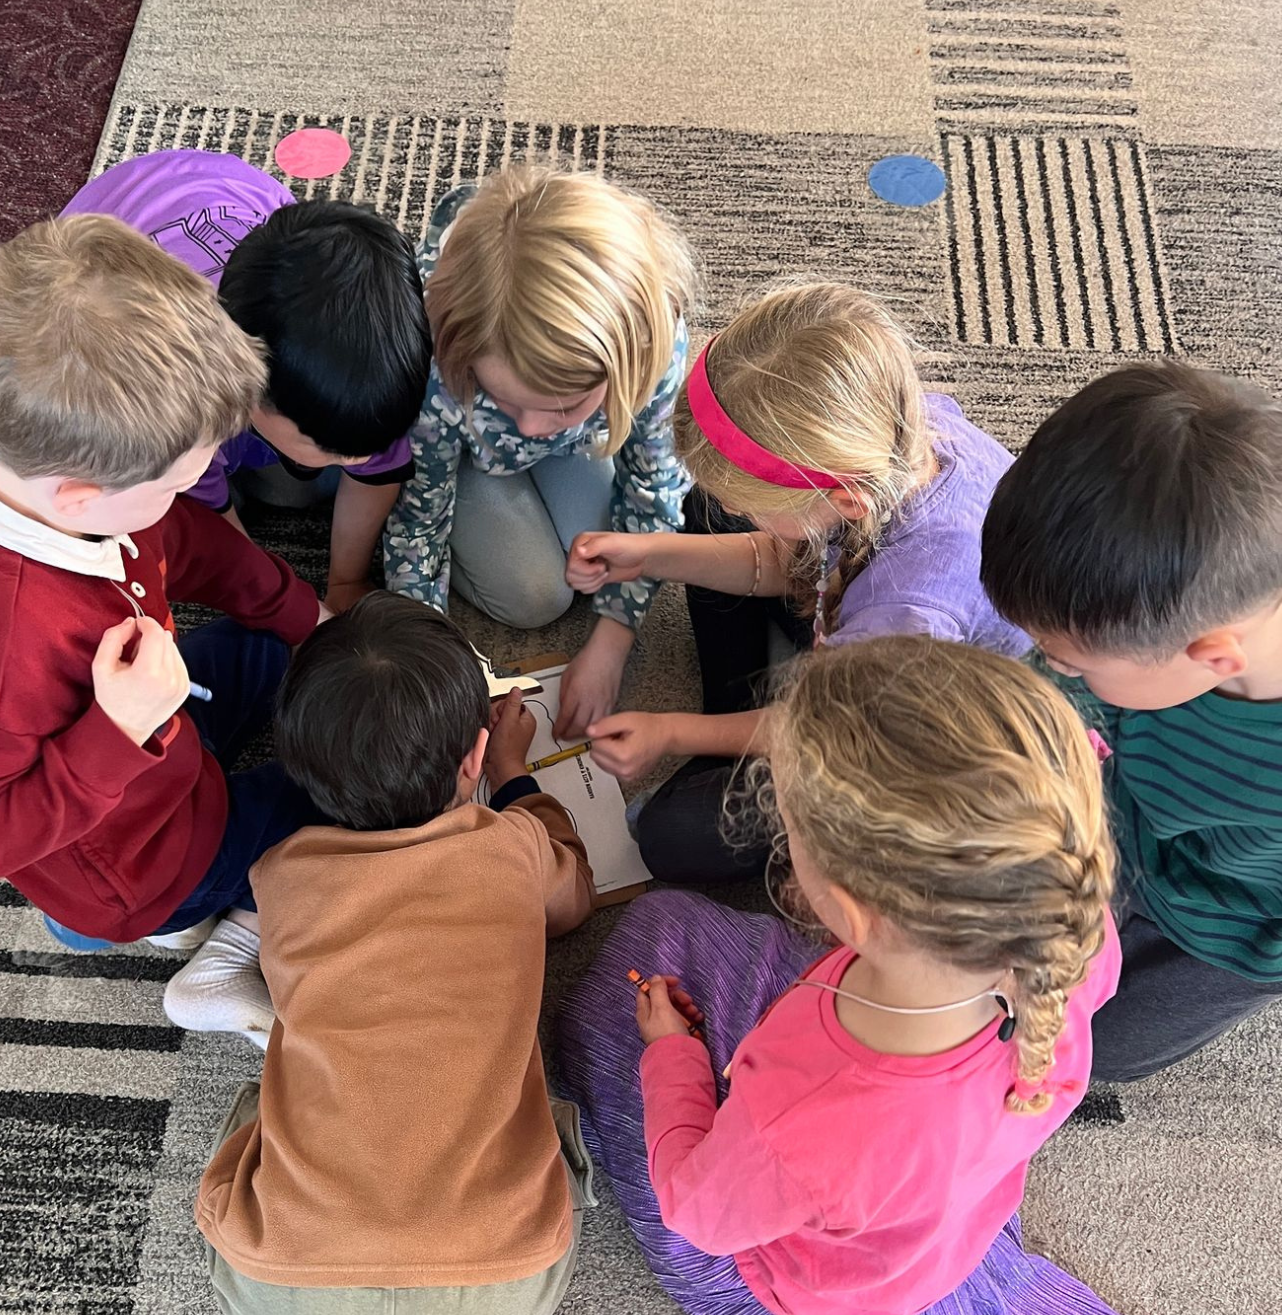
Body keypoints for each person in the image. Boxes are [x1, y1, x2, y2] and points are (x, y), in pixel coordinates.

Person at [558, 636, 1121, 1315]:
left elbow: (696, 1212)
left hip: (790, 1282)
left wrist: (673, 1057)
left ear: (853, 914)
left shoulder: (803, 1120)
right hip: (938, 1213)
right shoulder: (1067, 934)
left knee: (625, 979)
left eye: (789, 827)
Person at [0, 214, 330, 1045]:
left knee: (267, 646)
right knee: (342, 802)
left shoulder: (75, 490)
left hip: (161, 736)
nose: (191, 491)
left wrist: (305, 617)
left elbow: (181, 539)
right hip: (138, 859)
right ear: (80, 495)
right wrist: (118, 731)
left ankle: (139, 912)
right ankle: (211, 953)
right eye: (178, 479)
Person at [197, 592, 597, 1314]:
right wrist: (515, 778)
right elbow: (574, 902)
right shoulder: (511, 847)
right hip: (504, 1269)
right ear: (472, 757)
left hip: (280, 1270)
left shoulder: (281, 874)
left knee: (265, 1108)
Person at [566, 282, 1027, 881]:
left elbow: (824, 729)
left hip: (885, 727)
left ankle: (724, 731)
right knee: (710, 506)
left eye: (762, 507)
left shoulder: (909, 610)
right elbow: (790, 560)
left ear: (841, 499)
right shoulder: (893, 429)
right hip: (858, 612)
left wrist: (670, 731)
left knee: (670, 838)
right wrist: (650, 555)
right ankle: (731, 720)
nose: (746, 512)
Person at [981, 362, 1282, 1082]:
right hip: (1128, 816)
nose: (1051, 668)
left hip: (1229, 919)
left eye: (1074, 663)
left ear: (1209, 656)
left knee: (1092, 1052)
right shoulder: (1152, 619)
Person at [382, 163, 697, 738]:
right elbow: (417, 511)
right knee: (537, 595)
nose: (530, 427)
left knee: (610, 558)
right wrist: (427, 654)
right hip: (465, 460)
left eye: (557, 406)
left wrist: (612, 641)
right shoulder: (437, 349)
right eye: (506, 400)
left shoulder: (653, 341)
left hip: (581, 444)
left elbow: (656, 486)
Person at [62, 149, 432, 612]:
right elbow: (223, 552)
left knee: (314, 483)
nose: (359, 457)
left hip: (214, 195)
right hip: (96, 272)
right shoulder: (181, 403)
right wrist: (278, 604)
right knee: (153, 516)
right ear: (254, 392)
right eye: (334, 446)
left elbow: (374, 465)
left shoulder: (369, 367)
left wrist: (345, 582)